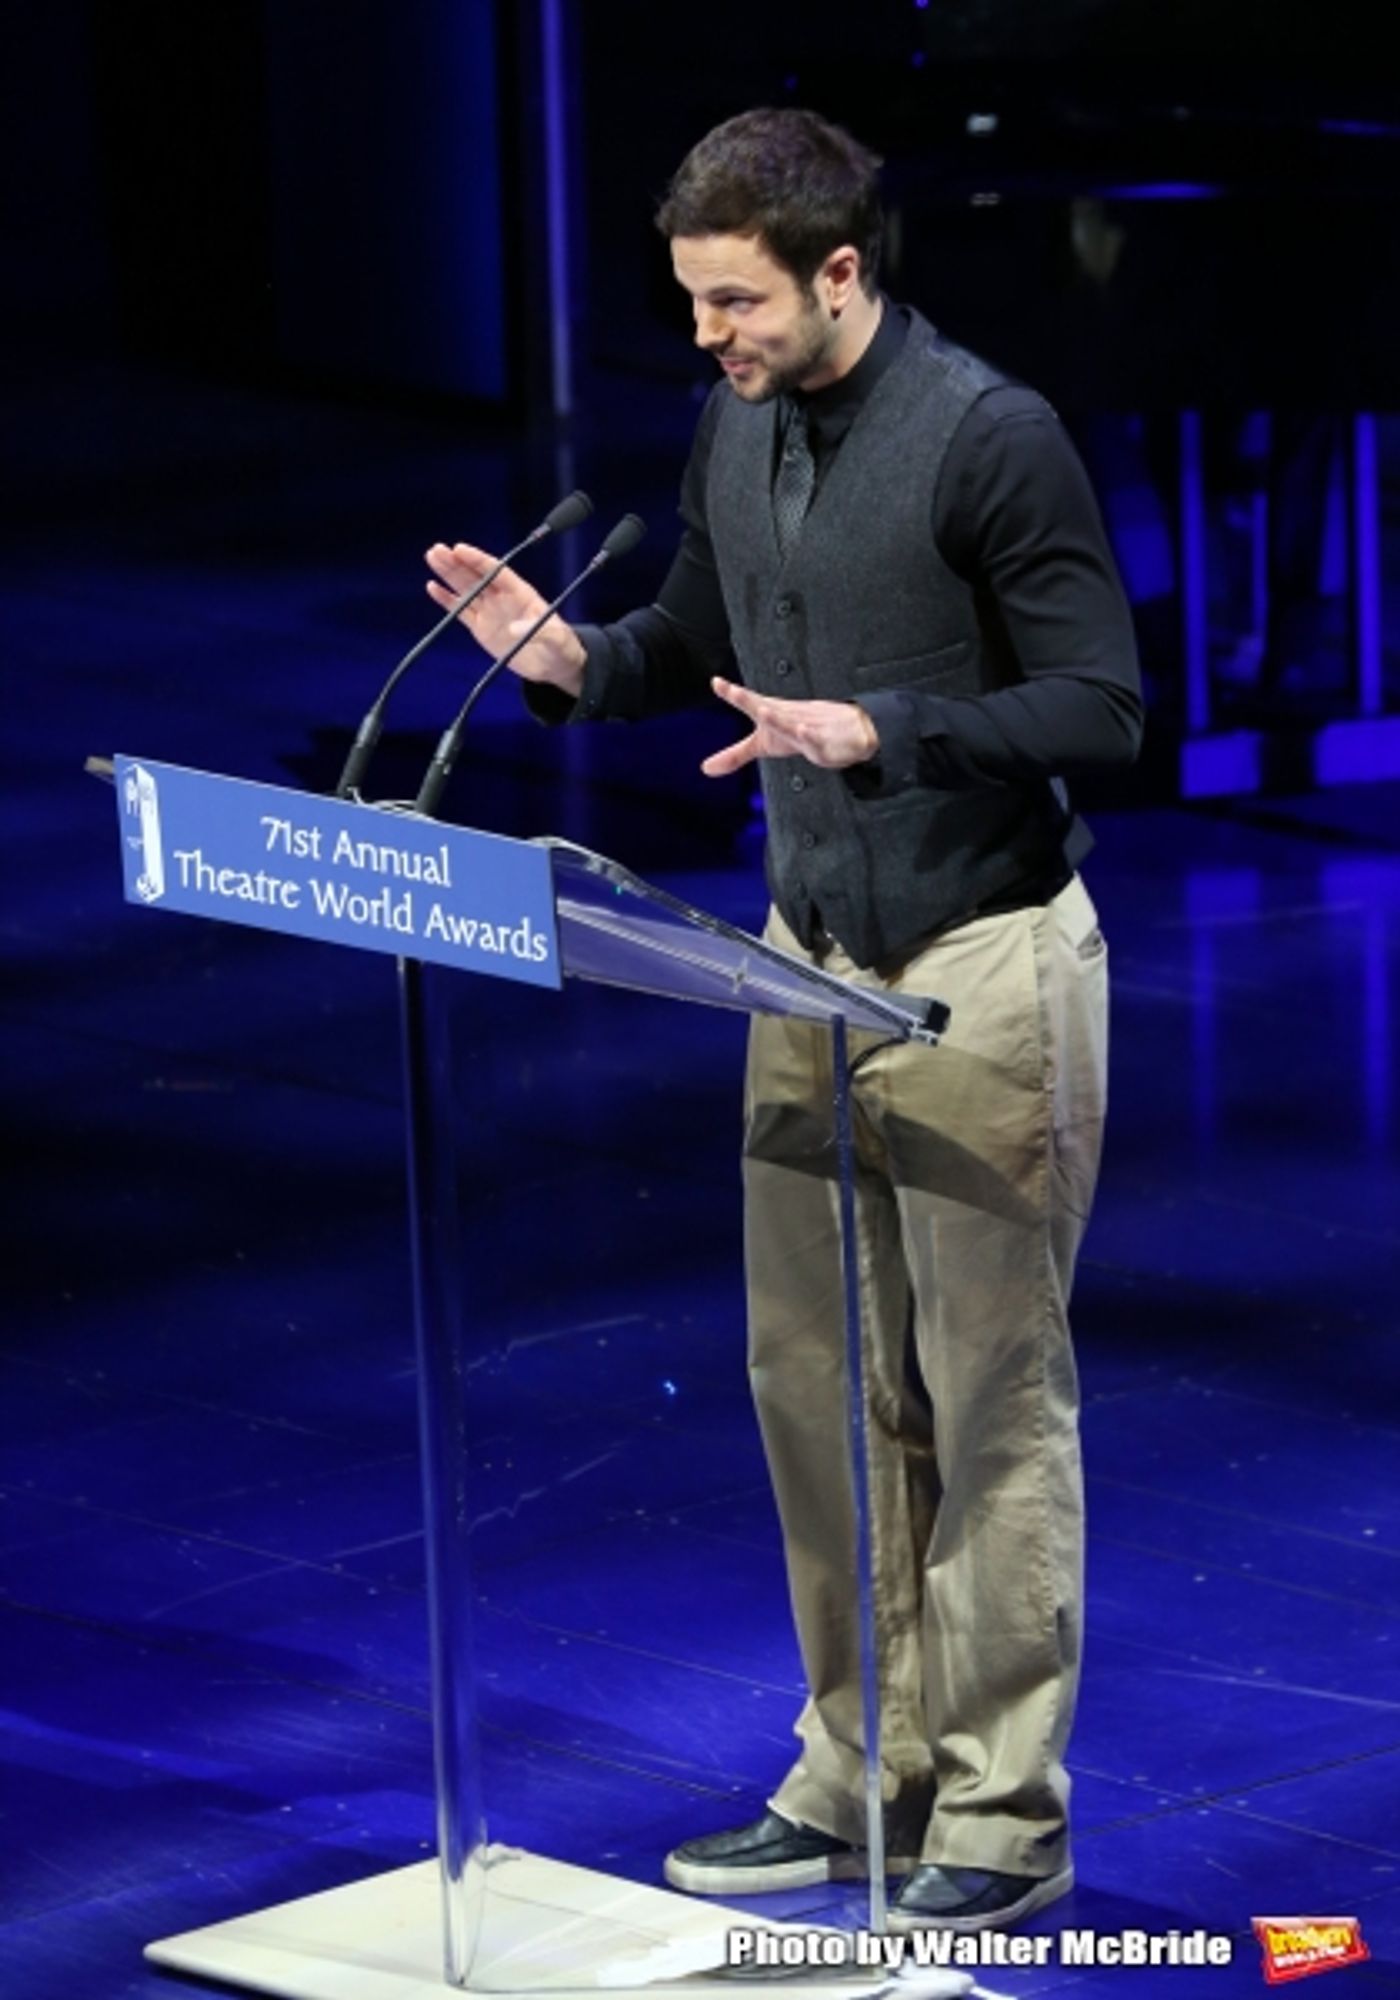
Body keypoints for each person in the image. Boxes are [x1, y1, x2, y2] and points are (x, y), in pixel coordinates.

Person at [425, 108, 1143, 1933]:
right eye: (690, 304)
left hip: (980, 966)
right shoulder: (737, 417)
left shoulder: (991, 438)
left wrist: (882, 730)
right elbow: (695, 623)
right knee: (816, 1386)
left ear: (841, 273)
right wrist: (578, 666)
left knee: (981, 1398)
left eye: (734, 301)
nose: (708, 338)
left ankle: (999, 1807)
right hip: (793, 960)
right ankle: (858, 1767)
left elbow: (1101, 710)